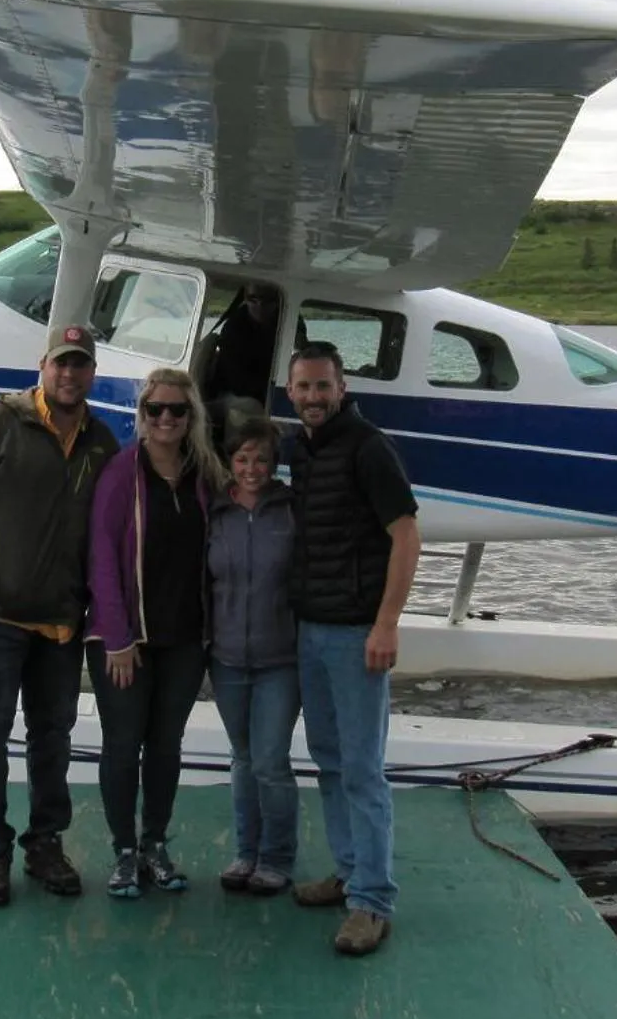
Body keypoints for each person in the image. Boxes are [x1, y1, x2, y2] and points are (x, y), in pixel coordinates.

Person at [0, 322, 120, 908]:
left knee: (53, 739)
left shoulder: (101, 442)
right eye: (61, 363)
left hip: (62, 621)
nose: (70, 374)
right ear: (44, 368)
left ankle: (46, 843)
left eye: (80, 364)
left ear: (92, 373)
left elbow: (111, 526)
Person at [285, 342, 420, 957]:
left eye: (322, 387)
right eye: (303, 387)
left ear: (341, 388)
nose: (313, 397)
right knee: (330, 758)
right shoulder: (305, 451)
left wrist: (386, 624)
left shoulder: (368, 447)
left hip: (353, 633)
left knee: (363, 769)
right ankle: (346, 872)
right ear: (290, 392)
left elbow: (406, 535)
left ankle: (372, 902)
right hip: (311, 628)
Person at [85, 366, 229, 898]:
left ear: (191, 417)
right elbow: (100, 557)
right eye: (155, 410)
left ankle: (156, 844)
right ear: (141, 416)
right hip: (126, 644)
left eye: (177, 410)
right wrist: (118, 639)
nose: (165, 418)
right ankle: (124, 851)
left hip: (185, 640)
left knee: (167, 746)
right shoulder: (122, 474)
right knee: (124, 745)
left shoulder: (204, 478)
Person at [206, 414, 300, 896]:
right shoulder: (215, 512)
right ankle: (246, 852)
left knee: (269, 761)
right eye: (243, 458)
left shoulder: (291, 511)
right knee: (241, 759)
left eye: (261, 459)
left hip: (280, 659)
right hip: (225, 659)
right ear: (230, 461)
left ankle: (277, 857)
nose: (251, 468)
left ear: (274, 463)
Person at [201, 283, 281, 409]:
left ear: (278, 301)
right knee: (252, 406)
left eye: (268, 300)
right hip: (231, 391)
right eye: (253, 299)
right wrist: (268, 392)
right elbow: (236, 381)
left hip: (269, 388)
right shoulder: (234, 328)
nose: (260, 305)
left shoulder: (287, 320)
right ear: (245, 298)